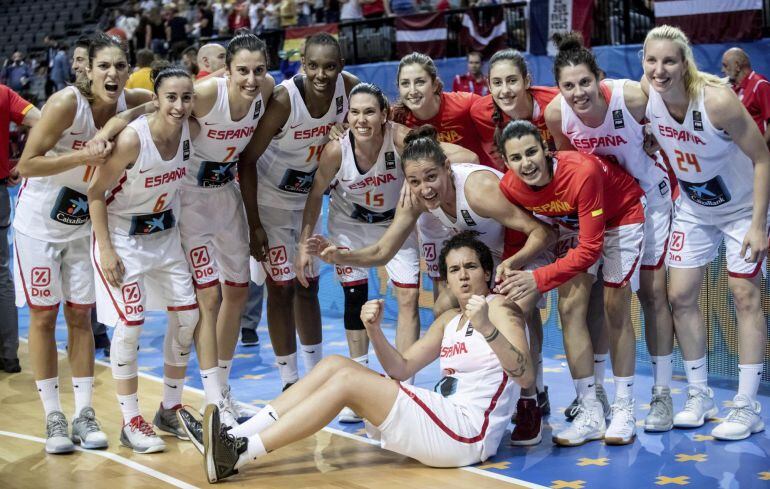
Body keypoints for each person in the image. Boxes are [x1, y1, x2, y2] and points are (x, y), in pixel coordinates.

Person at [181, 232, 534, 482]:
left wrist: (488, 328)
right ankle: (236, 435)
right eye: (455, 270)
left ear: (487, 272)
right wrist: (375, 331)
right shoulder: (447, 320)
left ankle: (239, 454)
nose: (463, 276)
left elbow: (525, 377)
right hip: (443, 419)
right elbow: (401, 367)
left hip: (468, 433)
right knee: (334, 364)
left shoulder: (500, 309)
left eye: (470, 267)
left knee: (348, 382)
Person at [307, 125, 554, 444]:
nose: (424, 188)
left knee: (511, 306)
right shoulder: (416, 198)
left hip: (522, 245)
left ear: (446, 168)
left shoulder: (478, 189)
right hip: (487, 256)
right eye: (414, 181)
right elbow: (383, 250)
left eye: (431, 177)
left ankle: (529, 399)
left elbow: (541, 233)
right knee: (444, 308)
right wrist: (339, 257)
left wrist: (513, 265)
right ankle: (462, 388)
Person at [296, 84, 479, 421]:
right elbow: (313, 195)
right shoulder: (336, 151)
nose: (362, 119)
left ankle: (402, 385)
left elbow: (450, 156)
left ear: (383, 115)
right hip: (348, 224)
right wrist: (305, 243)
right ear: (346, 117)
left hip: (394, 224)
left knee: (408, 299)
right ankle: (358, 383)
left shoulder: (399, 138)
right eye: (355, 112)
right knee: (356, 297)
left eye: (369, 112)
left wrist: (457, 164)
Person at [15, 33, 152, 455]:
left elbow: (175, 98)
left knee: (81, 317)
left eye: (120, 66)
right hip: (39, 223)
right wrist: (81, 157)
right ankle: (54, 416)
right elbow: (25, 165)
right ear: (87, 70)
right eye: (104, 66)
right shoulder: (65, 104)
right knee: (43, 318)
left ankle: (85, 412)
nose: (113, 74)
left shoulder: (135, 101)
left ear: (128, 69)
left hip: (83, 225)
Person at [642, 25, 770, 441]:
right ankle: (700, 396)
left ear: (685, 63)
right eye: (652, 60)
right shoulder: (646, 92)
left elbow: (763, 157)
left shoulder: (717, 101)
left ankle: (747, 406)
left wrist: (757, 224)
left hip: (741, 211)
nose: (659, 70)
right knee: (679, 295)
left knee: (744, 294)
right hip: (695, 209)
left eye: (669, 61)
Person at [544, 32, 675, 433]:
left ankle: (662, 396)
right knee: (598, 299)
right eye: (568, 86)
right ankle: (596, 397)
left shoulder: (631, 97)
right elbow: (569, 164)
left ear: (598, 77)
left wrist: (657, 137)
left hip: (647, 200)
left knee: (651, 295)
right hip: (599, 210)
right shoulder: (556, 115)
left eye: (585, 82)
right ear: (559, 88)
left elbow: (673, 125)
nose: (578, 92)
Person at [497, 120, 646, 447]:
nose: (527, 163)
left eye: (532, 152)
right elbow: (519, 236)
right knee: (569, 307)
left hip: (621, 217)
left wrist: (536, 278)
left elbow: (591, 248)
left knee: (614, 306)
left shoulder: (582, 170)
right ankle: (590, 410)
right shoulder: (509, 187)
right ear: (505, 163)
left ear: (546, 148)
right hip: (577, 227)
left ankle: (624, 408)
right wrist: (512, 267)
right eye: (517, 158)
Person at [87, 65, 200, 454]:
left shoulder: (192, 131)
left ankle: (170, 409)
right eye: (171, 97)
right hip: (123, 239)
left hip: (165, 238)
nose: (180, 105)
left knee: (188, 316)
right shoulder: (134, 140)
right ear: (156, 98)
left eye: (187, 97)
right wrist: (105, 248)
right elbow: (95, 192)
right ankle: (129, 419)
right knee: (130, 324)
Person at [238, 33, 359, 391]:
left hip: (308, 201)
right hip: (270, 202)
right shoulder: (283, 101)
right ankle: (290, 381)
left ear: (341, 66)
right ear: (302, 64)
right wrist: (254, 224)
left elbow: (379, 116)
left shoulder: (351, 90)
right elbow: (246, 161)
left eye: (330, 66)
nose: (322, 74)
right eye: (314, 66)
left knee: (308, 285)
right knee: (281, 288)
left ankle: (316, 374)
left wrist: (351, 130)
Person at [176, 32, 275, 424]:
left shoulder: (266, 89)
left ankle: (223, 389)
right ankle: (212, 400)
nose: (251, 79)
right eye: (242, 72)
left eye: (258, 70)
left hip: (225, 194)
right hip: (188, 198)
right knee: (207, 300)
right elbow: (154, 110)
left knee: (237, 291)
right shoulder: (203, 94)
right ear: (225, 70)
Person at [469, 49, 561, 421]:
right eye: (496, 82)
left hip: (569, 213)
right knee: (521, 309)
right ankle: (532, 392)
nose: (505, 90)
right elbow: (432, 109)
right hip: (521, 223)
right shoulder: (480, 111)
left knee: (577, 309)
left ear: (526, 79)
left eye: (511, 80)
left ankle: (594, 395)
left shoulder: (555, 105)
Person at [0, 84, 39, 374]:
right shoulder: (3, 93)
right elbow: (41, 120)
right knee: (2, 272)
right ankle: (8, 355)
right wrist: (23, 162)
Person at [721, 47, 770, 145]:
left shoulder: (760, 85)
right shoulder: (733, 89)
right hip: (741, 155)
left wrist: (761, 152)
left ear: (737, 66)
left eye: (725, 66)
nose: (722, 70)